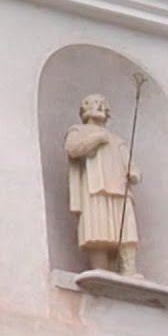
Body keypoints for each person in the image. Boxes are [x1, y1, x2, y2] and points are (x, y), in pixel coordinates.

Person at [65, 94, 141, 276]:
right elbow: (73, 149)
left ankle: (129, 270)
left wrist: (134, 173)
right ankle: (100, 271)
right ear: (85, 108)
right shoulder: (78, 130)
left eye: (102, 104)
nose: (99, 106)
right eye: (94, 103)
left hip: (121, 190)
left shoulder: (117, 140)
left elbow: (129, 163)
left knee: (127, 231)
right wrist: (97, 139)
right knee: (98, 230)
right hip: (94, 187)